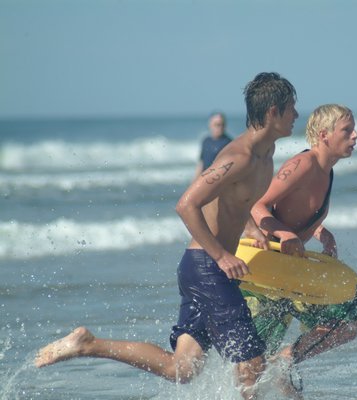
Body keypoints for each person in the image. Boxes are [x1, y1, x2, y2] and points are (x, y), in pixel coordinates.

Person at [34, 72, 298, 400]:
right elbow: (186, 204)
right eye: (291, 109)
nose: (296, 116)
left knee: (182, 369)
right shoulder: (238, 156)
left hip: (203, 269)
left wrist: (251, 229)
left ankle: (87, 344)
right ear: (273, 112)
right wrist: (221, 255)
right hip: (206, 266)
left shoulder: (266, 154)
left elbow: (233, 203)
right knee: (252, 361)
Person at [243, 104, 357, 395]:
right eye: (347, 130)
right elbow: (256, 206)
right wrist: (284, 233)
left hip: (292, 273)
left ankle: (286, 359)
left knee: (349, 323)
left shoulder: (327, 171)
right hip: (266, 273)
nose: (355, 135)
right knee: (252, 368)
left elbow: (297, 212)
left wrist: (321, 231)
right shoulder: (303, 165)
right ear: (324, 135)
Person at [194, 111, 232, 178]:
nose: (220, 127)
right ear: (210, 125)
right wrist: (194, 181)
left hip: (218, 179)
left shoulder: (229, 142)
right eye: (217, 124)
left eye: (222, 124)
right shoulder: (205, 140)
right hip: (204, 178)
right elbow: (201, 163)